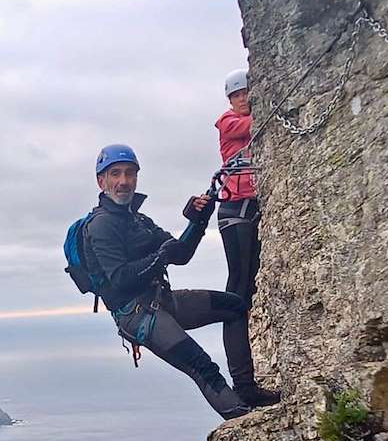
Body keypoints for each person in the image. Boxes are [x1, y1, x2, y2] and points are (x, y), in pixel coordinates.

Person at [82, 143, 254, 420]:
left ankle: (246, 390)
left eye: (129, 173)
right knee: (200, 365)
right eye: (115, 174)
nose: (123, 181)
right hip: (136, 316)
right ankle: (243, 419)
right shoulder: (101, 225)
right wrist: (160, 257)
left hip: (162, 300)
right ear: (101, 181)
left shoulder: (138, 220)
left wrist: (198, 220)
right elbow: (120, 279)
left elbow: (180, 253)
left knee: (234, 306)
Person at [214, 69, 280, 407]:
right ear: (230, 100)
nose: (243, 99)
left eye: (246, 93)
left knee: (245, 291)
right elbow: (253, 124)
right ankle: (244, 385)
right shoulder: (227, 122)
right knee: (237, 293)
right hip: (235, 210)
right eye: (237, 95)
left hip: (247, 207)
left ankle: (245, 382)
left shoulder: (240, 117)